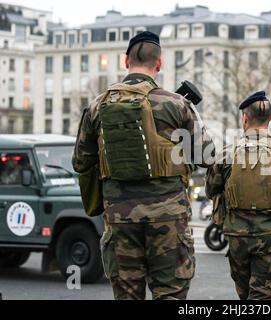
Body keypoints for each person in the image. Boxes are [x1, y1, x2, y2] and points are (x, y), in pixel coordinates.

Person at [72, 31, 215, 300]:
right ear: (158, 64)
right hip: (169, 219)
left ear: (126, 60)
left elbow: (80, 162)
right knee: (171, 294)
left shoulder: (97, 105)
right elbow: (207, 156)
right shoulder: (176, 104)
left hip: (120, 219)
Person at [205, 91, 271, 300]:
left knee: (245, 295)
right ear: (270, 119)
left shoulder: (227, 153)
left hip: (238, 239)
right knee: (263, 297)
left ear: (245, 118)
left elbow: (211, 190)